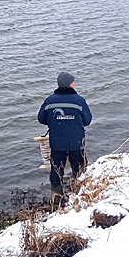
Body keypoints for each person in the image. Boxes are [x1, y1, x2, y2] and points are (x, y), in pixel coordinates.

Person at [38, 72, 92, 206]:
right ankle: (80, 192)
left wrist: (56, 121)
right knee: (79, 167)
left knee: (56, 170)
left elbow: (41, 118)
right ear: (70, 84)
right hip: (76, 142)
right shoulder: (79, 100)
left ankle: (57, 199)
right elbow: (87, 120)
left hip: (57, 142)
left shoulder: (49, 100)